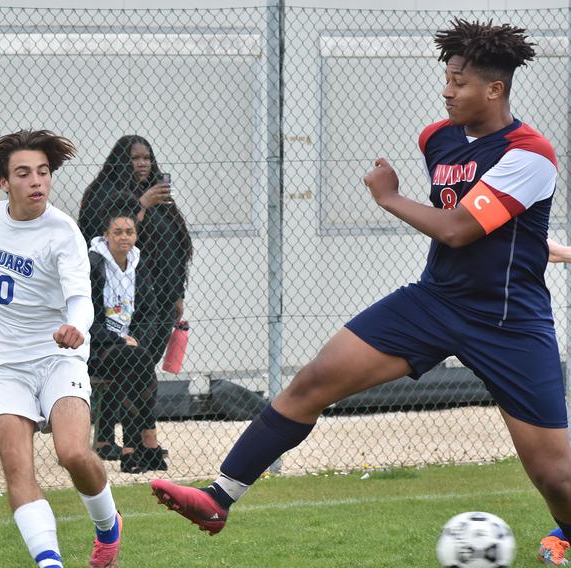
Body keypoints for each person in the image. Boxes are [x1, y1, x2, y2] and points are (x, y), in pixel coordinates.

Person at [150, 19, 571, 566]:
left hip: (508, 320)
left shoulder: (529, 153)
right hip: (434, 301)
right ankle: (217, 497)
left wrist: (388, 197)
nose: (447, 90)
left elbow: (458, 228)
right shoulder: (436, 138)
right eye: (446, 78)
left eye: (460, 82)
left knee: (554, 473)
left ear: (495, 89)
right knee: (314, 380)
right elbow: (488, 229)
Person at [0, 130, 122, 568]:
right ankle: (49, 563)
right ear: (4, 182)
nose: (37, 181)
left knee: (73, 453)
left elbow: (79, 298)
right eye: (23, 173)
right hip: (0, 363)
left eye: (43, 172)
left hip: (57, 356)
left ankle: (108, 524)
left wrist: (76, 327)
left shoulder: (64, 233)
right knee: (18, 467)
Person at [79, 135, 193, 466]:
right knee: (130, 365)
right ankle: (125, 441)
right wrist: (141, 203)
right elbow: (98, 231)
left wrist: (178, 293)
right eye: (135, 158)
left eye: (147, 158)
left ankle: (131, 443)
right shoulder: (104, 194)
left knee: (140, 365)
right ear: (121, 161)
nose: (142, 163)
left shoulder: (161, 196)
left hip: (153, 302)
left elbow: (176, 245)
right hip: (117, 305)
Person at [87, 199, 164, 473]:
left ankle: (132, 449)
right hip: (96, 348)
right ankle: (145, 443)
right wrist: (118, 340)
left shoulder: (137, 264)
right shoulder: (95, 264)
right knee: (138, 362)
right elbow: (88, 319)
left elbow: (149, 313)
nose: (123, 237)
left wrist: (135, 339)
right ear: (106, 235)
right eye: (117, 232)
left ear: (136, 235)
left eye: (129, 232)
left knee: (136, 360)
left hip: (130, 350)